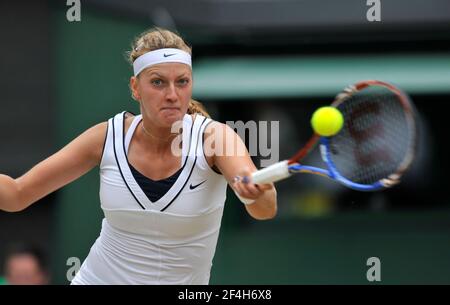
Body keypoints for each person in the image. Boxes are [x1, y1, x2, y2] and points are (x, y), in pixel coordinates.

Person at [0, 28, 277, 284]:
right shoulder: (105, 137)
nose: (172, 94)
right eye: (158, 82)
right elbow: (17, 194)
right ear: (135, 87)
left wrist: (256, 194)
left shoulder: (216, 139)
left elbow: (264, 208)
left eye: (182, 82)